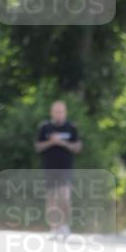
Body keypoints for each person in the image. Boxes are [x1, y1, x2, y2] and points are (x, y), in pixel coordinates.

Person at [34, 100, 82, 238]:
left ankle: (65, 225)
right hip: (49, 168)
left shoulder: (71, 128)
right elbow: (38, 147)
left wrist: (61, 142)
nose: (58, 114)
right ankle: (53, 228)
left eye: (61, 111)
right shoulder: (45, 127)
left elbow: (77, 147)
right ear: (51, 112)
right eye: (56, 111)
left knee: (65, 197)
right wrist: (50, 142)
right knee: (51, 199)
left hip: (65, 168)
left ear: (65, 112)